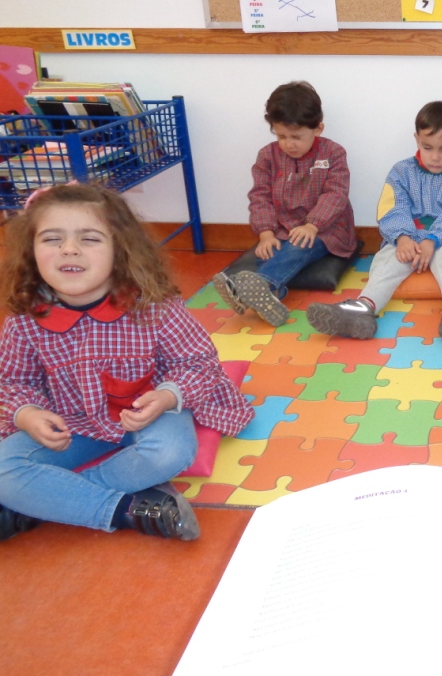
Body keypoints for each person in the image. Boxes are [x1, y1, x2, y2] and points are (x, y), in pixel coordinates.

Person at [0, 183, 254, 540]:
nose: (69, 249)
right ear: (31, 251)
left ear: (120, 250)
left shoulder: (153, 305)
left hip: (152, 413)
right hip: (72, 422)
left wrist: (166, 396)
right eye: (52, 239)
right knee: (4, 468)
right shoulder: (24, 320)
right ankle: (124, 510)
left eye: (89, 239)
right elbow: (13, 382)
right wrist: (27, 414)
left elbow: (198, 362)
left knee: (171, 452)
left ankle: (50, 502)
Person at [307, 101, 442, 343]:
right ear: (417, 139)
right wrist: (402, 238)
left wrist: (433, 239)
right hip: (408, 237)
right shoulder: (401, 172)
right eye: (427, 147)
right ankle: (362, 308)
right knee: (390, 262)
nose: (435, 157)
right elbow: (392, 207)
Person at [213, 81, 356, 327]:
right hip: (283, 227)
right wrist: (266, 234)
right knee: (271, 251)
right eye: (281, 136)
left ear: (318, 129)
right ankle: (267, 295)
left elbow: (336, 194)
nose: (289, 144)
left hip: (326, 229)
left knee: (300, 245)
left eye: (297, 137)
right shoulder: (267, 156)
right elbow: (260, 196)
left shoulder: (333, 153)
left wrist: (312, 225)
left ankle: (256, 288)